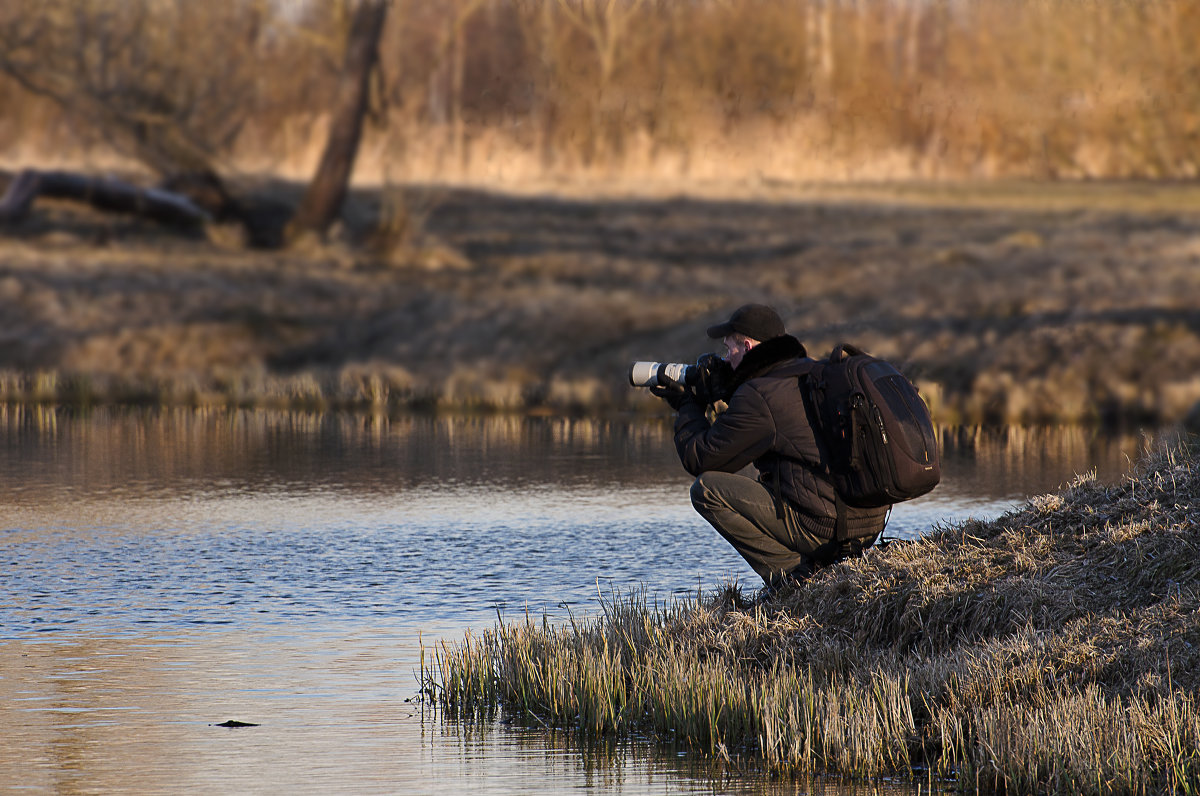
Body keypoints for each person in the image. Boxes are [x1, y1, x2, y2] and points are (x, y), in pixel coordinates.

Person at [651, 303, 888, 598]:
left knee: (707, 490)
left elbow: (700, 458)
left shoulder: (760, 396)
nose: (725, 358)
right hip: (867, 522)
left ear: (747, 347)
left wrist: (689, 404)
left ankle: (790, 577)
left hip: (826, 528)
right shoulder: (812, 373)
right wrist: (719, 392)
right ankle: (815, 561)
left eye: (729, 350)